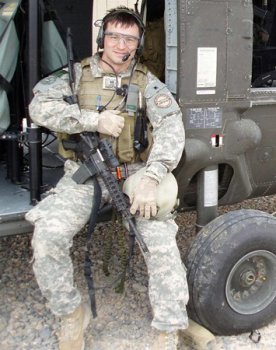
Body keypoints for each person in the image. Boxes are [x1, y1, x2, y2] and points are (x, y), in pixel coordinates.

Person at [26, 6, 216, 350]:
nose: (120, 44)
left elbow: (171, 129)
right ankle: (71, 313)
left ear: (138, 43)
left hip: (134, 174)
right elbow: (39, 107)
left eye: (129, 38)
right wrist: (90, 120)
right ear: (102, 38)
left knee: (159, 240)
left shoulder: (145, 82)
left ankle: (169, 326)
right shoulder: (75, 76)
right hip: (84, 175)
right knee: (47, 235)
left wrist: (152, 177)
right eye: (114, 35)